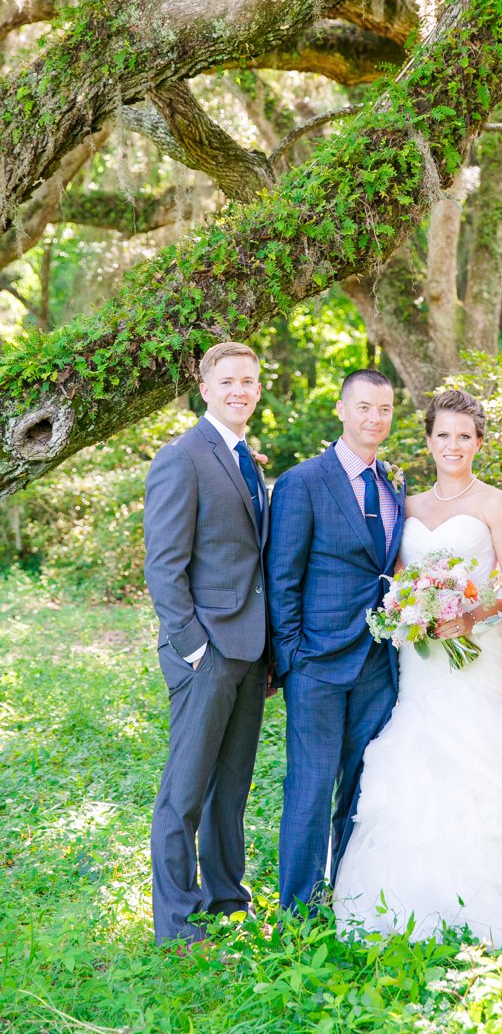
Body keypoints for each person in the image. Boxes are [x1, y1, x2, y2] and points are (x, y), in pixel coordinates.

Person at [333, 389, 502, 943]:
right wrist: (413, 609)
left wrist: (470, 615)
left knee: (476, 755)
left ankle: (494, 894)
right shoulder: (409, 505)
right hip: (421, 655)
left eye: (464, 437)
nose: (453, 446)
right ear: (428, 440)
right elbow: (400, 577)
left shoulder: (497, 503)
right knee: (416, 750)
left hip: (477, 652)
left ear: (478, 443)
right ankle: (410, 896)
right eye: (443, 435)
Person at [265, 370, 405, 912]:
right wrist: (293, 656)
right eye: (365, 407)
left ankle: (343, 894)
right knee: (310, 786)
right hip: (317, 661)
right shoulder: (303, 482)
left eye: (385, 409)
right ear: (342, 410)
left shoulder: (391, 482)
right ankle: (298, 910)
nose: (375, 418)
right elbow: (282, 577)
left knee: (359, 787)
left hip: (376, 660)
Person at [144, 341, 269, 946]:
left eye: (248, 379)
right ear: (205, 388)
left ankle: (227, 899)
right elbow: (164, 565)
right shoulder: (183, 457)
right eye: (228, 381)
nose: (239, 389)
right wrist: (194, 647)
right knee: (185, 791)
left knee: (232, 786)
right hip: (208, 653)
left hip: (250, 650)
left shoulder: (247, 458)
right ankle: (176, 920)